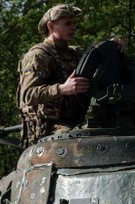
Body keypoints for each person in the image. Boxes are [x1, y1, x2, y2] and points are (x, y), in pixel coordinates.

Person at [16, 4, 90, 145]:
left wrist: (114, 46)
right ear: (50, 26)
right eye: (68, 23)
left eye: (74, 23)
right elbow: (27, 95)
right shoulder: (38, 56)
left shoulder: (75, 53)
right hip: (48, 129)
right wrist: (62, 88)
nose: (73, 27)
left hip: (74, 122)